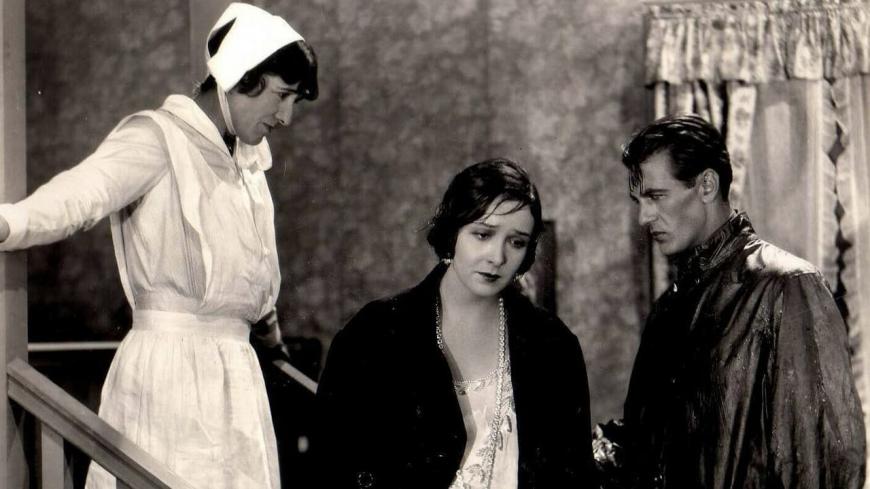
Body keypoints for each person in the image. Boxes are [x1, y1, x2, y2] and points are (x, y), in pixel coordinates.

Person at [0, 3, 318, 488]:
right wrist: (10, 222)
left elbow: (247, 269)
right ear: (240, 76)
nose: (287, 117)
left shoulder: (248, 163)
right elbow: (82, 194)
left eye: (294, 100)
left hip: (236, 381)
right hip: (171, 377)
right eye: (282, 95)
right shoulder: (158, 137)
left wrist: (271, 340)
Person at [312, 158, 597, 489]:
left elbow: (574, 478)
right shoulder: (374, 333)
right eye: (483, 234)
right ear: (453, 232)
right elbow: (330, 468)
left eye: (516, 242)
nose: (497, 257)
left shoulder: (553, 345)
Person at [616, 114, 866, 488]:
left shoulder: (787, 286)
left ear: (706, 185)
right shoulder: (668, 308)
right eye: (638, 201)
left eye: (655, 196)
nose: (643, 217)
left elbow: (820, 460)